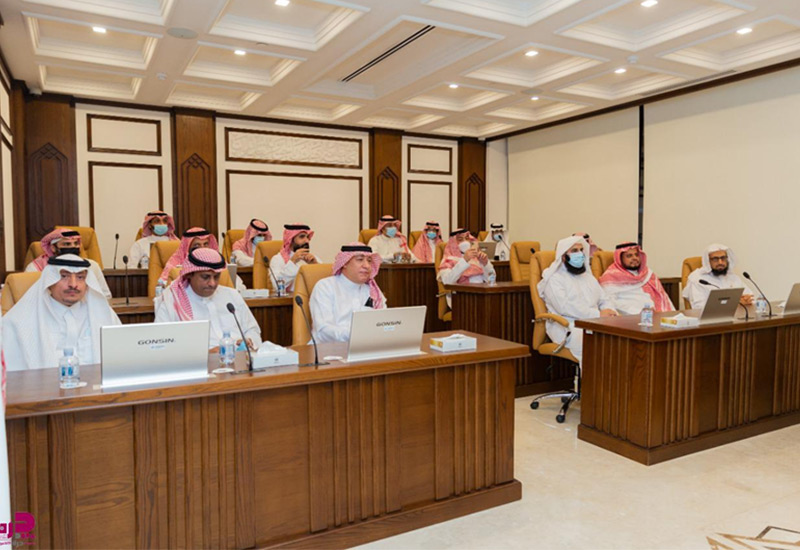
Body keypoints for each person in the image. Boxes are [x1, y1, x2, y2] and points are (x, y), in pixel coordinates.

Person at [4, 255, 121, 370]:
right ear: (50, 282)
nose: (73, 284)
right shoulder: (20, 321)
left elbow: (120, 360)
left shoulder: (104, 314)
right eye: (64, 276)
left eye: (80, 277)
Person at [155, 248, 261, 350]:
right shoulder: (172, 301)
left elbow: (253, 330)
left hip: (239, 358)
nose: (212, 283)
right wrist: (205, 354)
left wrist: (249, 341)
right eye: (205, 277)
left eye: (216, 277)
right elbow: (161, 344)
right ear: (189, 274)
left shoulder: (232, 295)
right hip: (197, 361)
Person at [538, 235, 617, 363]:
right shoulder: (554, 279)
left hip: (595, 322)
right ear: (563, 256)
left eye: (581, 250)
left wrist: (610, 311)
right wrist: (598, 314)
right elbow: (565, 308)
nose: (580, 254)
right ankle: (591, 376)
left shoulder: (588, 277)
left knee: (619, 340)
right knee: (595, 343)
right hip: (567, 326)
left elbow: (604, 299)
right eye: (574, 251)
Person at [309, 243, 387, 343]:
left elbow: (383, 323)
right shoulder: (325, 287)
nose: (367, 266)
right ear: (345, 263)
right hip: (329, 349)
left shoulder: (373, 290)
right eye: (360, 259)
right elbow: (324, 331)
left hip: (366, 346)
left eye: (369, 261)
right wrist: (358, 335)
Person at [26, 228, 112, 299]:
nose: (73, 247)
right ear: (53, 248)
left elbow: (106, 296)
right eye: (67, 244)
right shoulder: (35, 267)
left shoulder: (92, 265)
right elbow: (30, 298)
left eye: (76, 243)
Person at [599, 242, 675, 314]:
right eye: (629, 256)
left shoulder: (647, 274)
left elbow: (663, 297)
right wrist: (637, 311)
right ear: (620, 259)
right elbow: (609, 303)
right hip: (629, 317)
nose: (634, 258)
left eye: (636, 255)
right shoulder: (610, 277)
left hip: (653, 315)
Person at [683, 243, 754, 310]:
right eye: (715, 259)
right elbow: (699, 308)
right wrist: (736, 304)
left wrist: (747, 300)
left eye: (723, 258)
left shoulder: (733, 277)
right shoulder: (697, 279)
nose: (720, 262)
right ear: (708, 261)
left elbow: (751, 298)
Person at [438, 229, 496, 306]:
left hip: (481, 296)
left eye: (467, 238)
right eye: (460, 239)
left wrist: (485, 264)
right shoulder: (448, 260)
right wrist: (464, 260)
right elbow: (447, 282)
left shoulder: (478, 256)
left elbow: (492, 280)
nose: (465, 241)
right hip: (461, 298)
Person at [270, 223, 320, 292]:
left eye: (307, 237)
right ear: (290, 240)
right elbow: (277, 286)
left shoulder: (312, 258)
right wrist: (292, 262)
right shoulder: (278, 259)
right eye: (302, 237)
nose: (307, 241)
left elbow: (324, 284)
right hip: (291, 298)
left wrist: (315, 265)